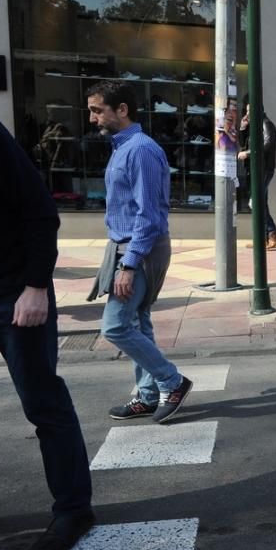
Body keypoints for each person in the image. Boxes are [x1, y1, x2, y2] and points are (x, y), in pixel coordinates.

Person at [0, 114, 95, 550]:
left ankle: (74, 510)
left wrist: (35, 286)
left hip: (13, 291)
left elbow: (39, 211)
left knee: (43, 403)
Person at [84, 81, 193, 424]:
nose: (92, 118)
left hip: (138, 250)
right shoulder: (122, 147)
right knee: (137, 321)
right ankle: (147, 395)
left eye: (97, 110)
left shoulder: (140, 150)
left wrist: (128, 264)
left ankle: (172, 381)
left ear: (122, 110)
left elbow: (149, 214)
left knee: (115, 327)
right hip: (126, 247)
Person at [238, 96, 276, 248]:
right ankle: (263, 238)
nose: (247, 113)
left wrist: (248, 154)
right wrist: (243, 126)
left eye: (250, 110)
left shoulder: (267, 124)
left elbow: (267, 145)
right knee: (261, 203)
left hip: (265, 169)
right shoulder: (254, 125)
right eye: (246, 110)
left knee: (255, 202)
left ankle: (272, 232)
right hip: (255, 168)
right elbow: (242, 142)